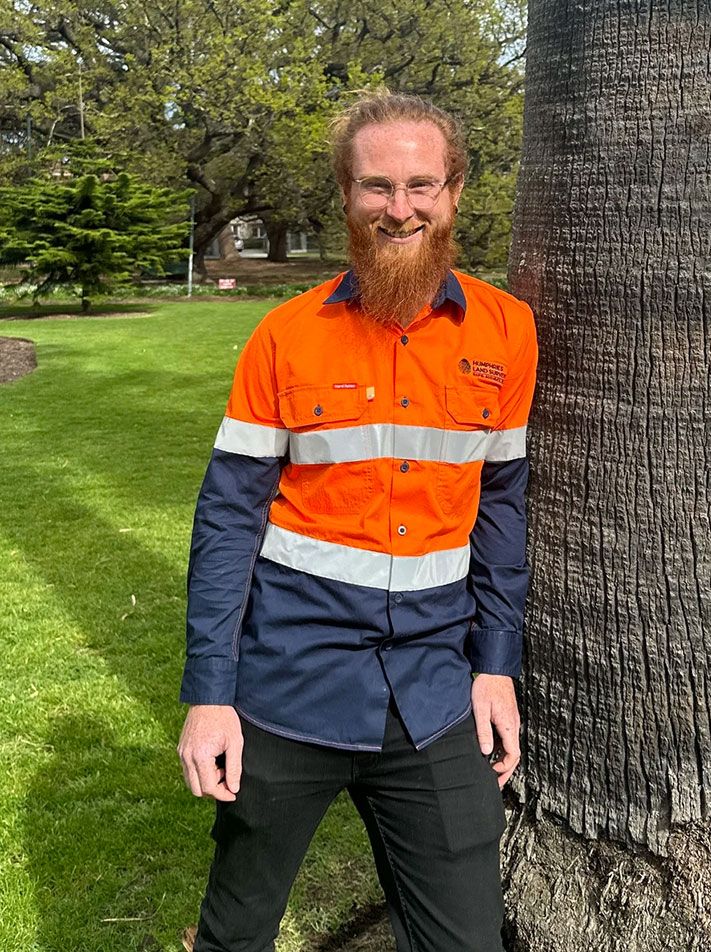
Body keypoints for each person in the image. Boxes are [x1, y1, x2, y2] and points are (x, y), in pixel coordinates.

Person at [177, 90, 538, 952]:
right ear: (346, 195)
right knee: (236, 932)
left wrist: (496, 669)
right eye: (377, 185)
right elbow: (228, 519)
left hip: (433, 691)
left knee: (466, 939)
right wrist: (209, 695)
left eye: (421, 184)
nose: (400, 207)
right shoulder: (284, 337)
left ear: (454, 192)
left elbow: (502, 508)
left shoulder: (507, 332)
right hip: (287, 685)